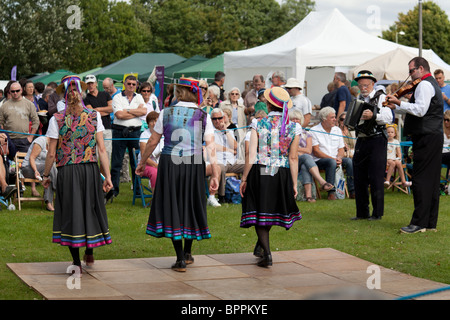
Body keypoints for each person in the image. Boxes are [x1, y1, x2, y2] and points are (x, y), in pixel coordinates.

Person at [136, 77, 219, 272]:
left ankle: (180, 258)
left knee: (172, 204)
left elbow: (152, 142)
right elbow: (211, 147)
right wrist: (215, 173)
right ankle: (188, 253)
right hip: (193, 164)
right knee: (190, 204)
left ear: (179, 91)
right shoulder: (202, 115)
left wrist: (141, 163)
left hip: (171, 164)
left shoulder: (166, 113)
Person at [42, 75, 113, 275]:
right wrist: (106, 176)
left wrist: (46, 175)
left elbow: (51, 153)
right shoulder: (94, 115)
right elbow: (101, 149)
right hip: (90, 170)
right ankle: (89, 252)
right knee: (90, 209)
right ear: (81, 92)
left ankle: (76, 263)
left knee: (72, 212)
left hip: (67, 171)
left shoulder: (57, 118)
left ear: (64, 95)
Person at [240, 86, 302, 268]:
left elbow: (251, 154)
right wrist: (294, 182)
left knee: (260, 211)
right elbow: (293, 157)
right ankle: (262, 246)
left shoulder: (258, 123)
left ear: (268, 103)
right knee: (270, 209)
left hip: (260, 171)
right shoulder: (294, 127)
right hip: (281, 173)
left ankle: (266, 253)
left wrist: (244, 178)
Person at [386, 57, 444, 234]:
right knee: (432, 180)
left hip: (426, 137)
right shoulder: (429, 84)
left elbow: (420, 110)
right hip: (433, 136)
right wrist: (399, 107)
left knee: (420, 180)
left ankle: (418, 223)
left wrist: (397, 102)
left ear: (420, 68)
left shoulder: (425, 85)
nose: (410, 75)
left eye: (411, 71)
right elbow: (417, 107)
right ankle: (430, 223)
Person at [110, 75, 146, 198]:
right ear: (124, 84)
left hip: (135, 131)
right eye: (129, 83)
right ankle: (113, 190)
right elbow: (119, 115)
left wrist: (128, 110)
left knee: (136, 163)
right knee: (116, 162)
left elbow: (144, 112)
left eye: (133, 84)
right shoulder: (117, 97)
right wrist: (135, 111)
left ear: (136, 86)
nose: (131, 86)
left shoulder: (140, 97)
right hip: (119, 131)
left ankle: (137, 190)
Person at [310, 107, 355, 200]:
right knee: (331, 162)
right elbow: (316, 151)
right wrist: (333, 159)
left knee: (349, 162)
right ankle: (331, 192)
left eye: (335, 117)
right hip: (319, 161)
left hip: (335, 159)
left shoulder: (337, 130)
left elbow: (341, 149)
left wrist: (339, 157)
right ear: (324, 119)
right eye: (332, 117)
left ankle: (352, 191)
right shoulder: (314, 130)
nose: (335, 119)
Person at [289, 109, 333, 202]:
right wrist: (299, 151)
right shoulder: (286, 134)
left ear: (301, 120)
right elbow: (288, 150)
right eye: (293, 119)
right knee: (306, 157)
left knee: (306, 164)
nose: (295, 121)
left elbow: (309, 150)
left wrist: (296, 150)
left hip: (302, 160)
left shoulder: (306, 134)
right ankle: (322, 182)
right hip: (291, 161)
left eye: (297, 119)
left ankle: (308, 196)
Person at [211, 108, 244, 204]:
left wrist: (225, 131)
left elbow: (234, 146)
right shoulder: (210, 131)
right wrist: (228, 149)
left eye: (219, 118)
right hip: (219, 160)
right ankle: (222, 196)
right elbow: (212, 146)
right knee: (219, 167)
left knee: (248, 165)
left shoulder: (229, 130)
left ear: (223, 118)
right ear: (211, 120)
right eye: (214, 119)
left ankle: (245, 192)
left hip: (231, 161)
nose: (217, 121)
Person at [0, 82, 40, 153]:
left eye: (17, 91)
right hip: (9, 139)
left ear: (21, 90)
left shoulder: (29, 104)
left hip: (24, 139)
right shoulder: (4, 106)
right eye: (13, 91)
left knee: (24, 162)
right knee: (9, 163)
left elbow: (36, 121)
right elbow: (1, 122)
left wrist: (30, 137)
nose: (15, 93)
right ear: (9, 92)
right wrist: (3, 136)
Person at [21, 135, 57, 211]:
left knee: (49, 177)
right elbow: (32, 158)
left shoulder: (53, 146)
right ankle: (59, 190)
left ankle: (48, 203)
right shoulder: (41, 141)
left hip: (43, 171)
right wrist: (35, 170)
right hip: (28, 168)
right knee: (50, 167)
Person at [83, 75, 113, 162]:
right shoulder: (85, 98)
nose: (90, 85)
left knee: (107, 155)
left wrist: (98, 109)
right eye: (88, 84)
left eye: (92, 83)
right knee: (94, 155)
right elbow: (92, 113)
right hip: (93, 129)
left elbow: (111, 109)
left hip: (107, 128)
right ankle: (96, 175)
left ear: (96, 84)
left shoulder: (105, 94)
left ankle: (105, 175)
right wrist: (105, 110)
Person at [138, 111, 163, 190]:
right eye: (152, 121)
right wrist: (157, 166)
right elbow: (144, 155)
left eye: (156, 121)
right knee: (155, 172)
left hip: (161, 163)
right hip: (146, 165)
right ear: (148, 124)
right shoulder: (144, 135)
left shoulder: (164, 135)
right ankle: (156, 198)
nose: (154, 123)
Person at [0, 131, 18, 200]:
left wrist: (6, 141)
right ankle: (4, 187)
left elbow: (13, 153)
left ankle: (5, 187)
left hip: (4, 166)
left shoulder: (2, 133)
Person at [442, 111, 450, 187]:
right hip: (442, 154)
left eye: (448, 120)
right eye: (444, 120)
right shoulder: (441, 131)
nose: (446, 122)